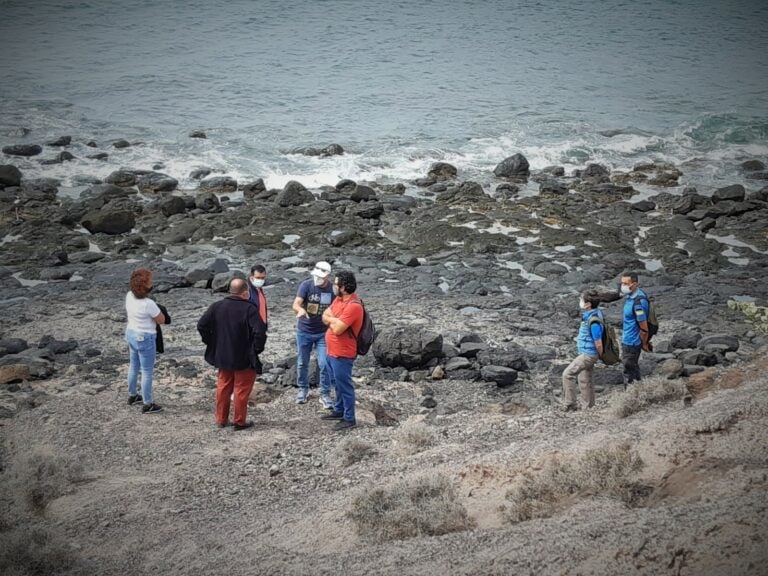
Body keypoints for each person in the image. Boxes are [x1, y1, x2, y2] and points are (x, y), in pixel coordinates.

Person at [197, 278, 267, 430]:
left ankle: (221, 419)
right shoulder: (249, 309)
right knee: (241, 389)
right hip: (243, 355)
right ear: (245, 293)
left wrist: (211, 342)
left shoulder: (217, 306)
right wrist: (256, 349)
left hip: (223, 354)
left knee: (223, 386)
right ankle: (239, 421)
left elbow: (202, 325)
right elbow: (260, 332)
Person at [320, 270, 364, 431]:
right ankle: (339, 410)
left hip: (343, 353)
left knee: (344, 385)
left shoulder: (354, 306)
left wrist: (332, 320)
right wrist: (334, 319)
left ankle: (349, 418)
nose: (333, 286)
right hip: (332, 351)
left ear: (344, 287)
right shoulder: (339, 300)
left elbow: (338, 329)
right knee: (336, 383)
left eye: (336, 284)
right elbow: (324, 315)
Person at [291, 261, 335, 406]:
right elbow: (296, 304)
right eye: (316, 275)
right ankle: (303, 389)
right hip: (304, 331)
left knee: (324, 363)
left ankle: (325, 394)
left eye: (321, 276)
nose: (317, 279)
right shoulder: (306, 285)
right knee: (302, 362)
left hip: (323, 333)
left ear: (327, 276)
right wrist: (300, 310)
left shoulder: (332, 290)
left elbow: (338, 308)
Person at [125, 268, 166, 414]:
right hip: (145, 338)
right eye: (150, 281)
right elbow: (161, 320)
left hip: (131, 333)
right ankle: (148, 403)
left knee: (133, 366)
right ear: (146, 286)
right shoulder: (148, 304)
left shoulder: (129, 296)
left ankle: (132, 395)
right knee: (147, 371)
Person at [562, 290, 604, 412]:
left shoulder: (594, 320)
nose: (580, 302)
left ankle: (570, 404)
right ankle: (589, 407)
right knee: (584, 379)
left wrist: (598, 355)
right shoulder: (593, 314)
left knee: (567, 374)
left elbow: (598, 341)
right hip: (587, 352)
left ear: (588, 304)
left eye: (582, 300)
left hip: (588, 354)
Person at [620, 271, 651, 386]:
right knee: (633, 369)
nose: (623, 286)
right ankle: (640, 391)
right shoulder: (631, 296)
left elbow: (643, 326)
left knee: (628, 372)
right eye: (622, 283)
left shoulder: (638, 303)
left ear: (635, 284)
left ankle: (630, 397)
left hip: (632, 343)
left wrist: (644, 343)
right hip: (627, 339)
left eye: (626, 283)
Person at [248, 264, 268, 330]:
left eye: (262, 278)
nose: (260, 280)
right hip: (252, 328)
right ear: (251, 276)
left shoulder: (259, 289)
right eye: (258, 278)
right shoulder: (246, 291)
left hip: (260, 326)